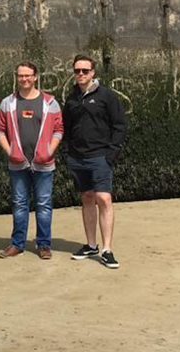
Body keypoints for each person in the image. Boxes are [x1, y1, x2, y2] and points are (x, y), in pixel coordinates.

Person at [63, 54, 127, 269]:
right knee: (87, 197)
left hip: (100, 156)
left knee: (104, 198)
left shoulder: (106, 96)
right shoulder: (71, 98)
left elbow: (119, 125)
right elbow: (66, 126)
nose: (80, 74)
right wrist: (68, 151)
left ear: (93, 73)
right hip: (77, 157)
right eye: (77, 71)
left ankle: (107, 249)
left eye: (85, 71)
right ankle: (91, 245)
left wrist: (112, 153)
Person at [0, 61, 64, 259]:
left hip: (44, 164)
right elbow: (0, 130)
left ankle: (43, 245)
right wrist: (10, 152)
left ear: (35, 77)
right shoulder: (7, 103)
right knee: (19, 204)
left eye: (28, 75)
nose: (24, 79)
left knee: (43, 205)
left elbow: (59, 130)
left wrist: (49, 151)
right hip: (17, 164)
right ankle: (17, 244)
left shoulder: (50, 103)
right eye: (20, 75)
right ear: (16, 77)